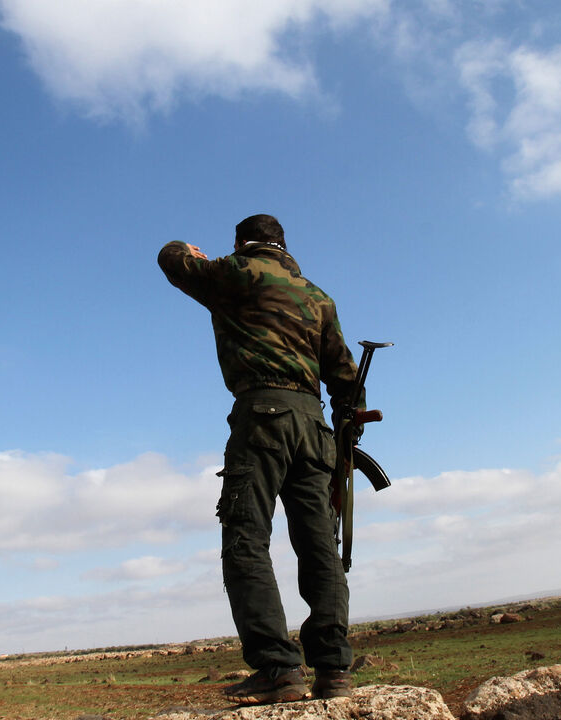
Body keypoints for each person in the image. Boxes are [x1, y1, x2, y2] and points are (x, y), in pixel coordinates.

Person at [157, 214, 359, 705]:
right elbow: (346, 380)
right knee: (319, 547)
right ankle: (333, 670)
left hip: (262, 415)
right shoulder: (318, 297)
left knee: (246, 539)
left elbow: (170, 257)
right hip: (315, 428)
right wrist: (343, 439)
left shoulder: (238, 272)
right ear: (284, 244)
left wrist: (193, 250)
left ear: (240, 243)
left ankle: (277, 669)